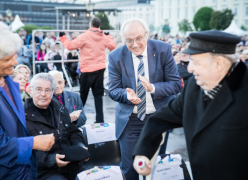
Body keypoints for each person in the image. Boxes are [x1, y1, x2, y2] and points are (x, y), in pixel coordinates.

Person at [133, 30, 248, 180]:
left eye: (196, 62)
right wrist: (143, 150)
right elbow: (161, 118)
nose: (189, 68)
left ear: (219, 63)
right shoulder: (194, 86)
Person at [0, 21, 55, 180]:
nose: (15, 62)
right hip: (0, 172)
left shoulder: (6, 80)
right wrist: (33, 143)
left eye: (14, 55)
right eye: (7, 59)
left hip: (21, 169)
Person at [108, 18, 181, 180]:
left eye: (139, 38)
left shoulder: (163, 49)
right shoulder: (115, 57)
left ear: (147, 35)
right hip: (131, 120)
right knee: (130, 169)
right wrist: (126, 95)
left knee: (155, 168)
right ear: (123, 39)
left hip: (158, 118)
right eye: (129, 40)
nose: (134, 44)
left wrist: (153, 88)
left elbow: (176, 84)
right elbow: (113, 90)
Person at [25, 73, 88, 180]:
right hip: (45, 172)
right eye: (39, 89)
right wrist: (51, 160)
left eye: (47, 90)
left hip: (72, 165)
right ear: (31, 91)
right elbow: (24, 149)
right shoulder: (23, 116)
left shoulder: (60, 109)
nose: (43, 94)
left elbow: (73, 131)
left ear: (52, 92)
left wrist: (80, 146)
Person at [60, 17, 116, 123]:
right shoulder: (104, 37)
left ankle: (74, 120)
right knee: (98, 96)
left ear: (90, 25)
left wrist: (63, 37)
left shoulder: (84, 36)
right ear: (99, 25)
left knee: (83, 96)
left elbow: (69, 46)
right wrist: (108, 36)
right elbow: (113, 46)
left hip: (87, 70)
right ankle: (100, 120)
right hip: (99, 70)